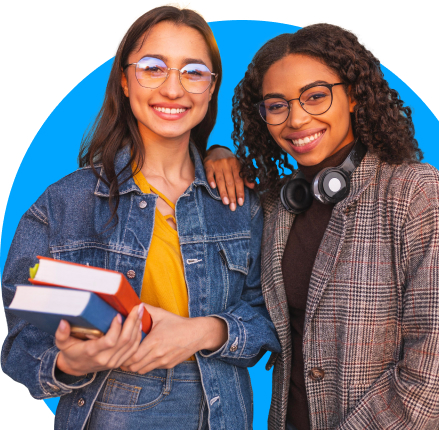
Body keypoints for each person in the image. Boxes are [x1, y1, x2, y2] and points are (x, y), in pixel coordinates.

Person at [1, 6, 280, 430]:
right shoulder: (64, 203)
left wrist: (205, 331)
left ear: (210, 89)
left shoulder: (240, 201)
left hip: (223, 416)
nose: (173, 88)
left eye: (193, 72)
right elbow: (23, 338)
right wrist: (69, 362)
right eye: (153, 68)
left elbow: (274, 316)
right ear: (125, 81)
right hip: (109, 411)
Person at [204, 24, 439, 429]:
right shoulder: (277, 206)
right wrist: (213, 152)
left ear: (353, 95)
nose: (297, 119)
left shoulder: (414, 191)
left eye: (316, 96)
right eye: (277, 105)